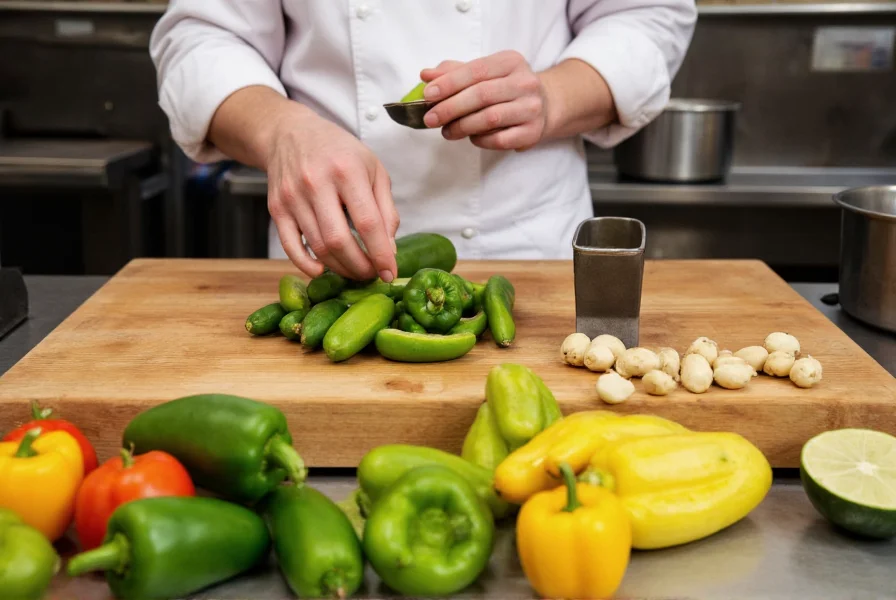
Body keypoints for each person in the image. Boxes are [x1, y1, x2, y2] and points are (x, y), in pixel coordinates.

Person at [150, 1, 696, 283]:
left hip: (528, 253)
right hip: (326, 246)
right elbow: (203, 36)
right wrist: (281, 130)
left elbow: (645, 18)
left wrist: (551, 98)